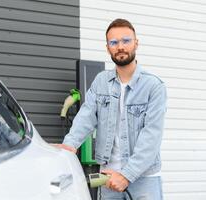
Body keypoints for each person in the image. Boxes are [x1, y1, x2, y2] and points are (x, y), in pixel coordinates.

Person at [56, 19, 166, 199]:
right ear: (108, 47)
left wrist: (126, 175)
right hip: (107, 177)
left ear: (136, 43)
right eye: (114, 42)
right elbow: (86, 117)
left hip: (144, 179)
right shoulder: (101, 82)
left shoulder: (154, 86)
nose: (120, 46)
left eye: (126, 41)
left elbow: (151, 137)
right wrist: (69, 145)